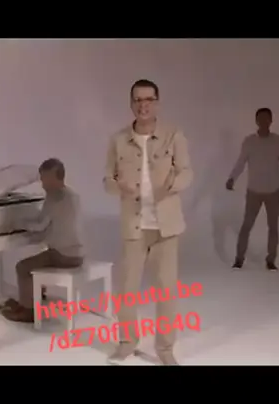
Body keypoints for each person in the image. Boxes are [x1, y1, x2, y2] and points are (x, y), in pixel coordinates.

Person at [102, 79, 193, 365]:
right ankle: (127, 343)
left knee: (166, 291)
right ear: (131, 104)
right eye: (138, 100)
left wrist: (171, 186)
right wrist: (120, 187)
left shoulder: (173, 135)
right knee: (126, 289)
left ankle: (165, 349)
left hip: (166, 226)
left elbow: (187, 172)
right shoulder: (118, 140)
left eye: (148, 99)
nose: (143, 105)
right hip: (134, 225)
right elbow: (107, 179)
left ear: (157, 103)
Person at [0, 158, 84, 323]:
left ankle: (28, 311)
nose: (42, 183)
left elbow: (39, 226)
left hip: (63, 255)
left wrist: (16, 224)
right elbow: (53, 226)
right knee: (41, 256)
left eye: (44, 178)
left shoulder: (54, 197)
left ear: (54, 177)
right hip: (77, 253)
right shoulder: (72, 194)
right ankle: (31, 298)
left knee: (22, 267)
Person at [226, 108, 279, 271]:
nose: (263, 122)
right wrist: (232, 178)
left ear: (271, 120)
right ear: (256, 121)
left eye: (266, 118)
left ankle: (271, 260)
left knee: (273, 227)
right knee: (246, 225)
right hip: (254, 191)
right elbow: (241, 162)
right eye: (260, 119)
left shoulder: (278, 141)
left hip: (273, 191)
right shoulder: (249, 142)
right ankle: (239, 259)